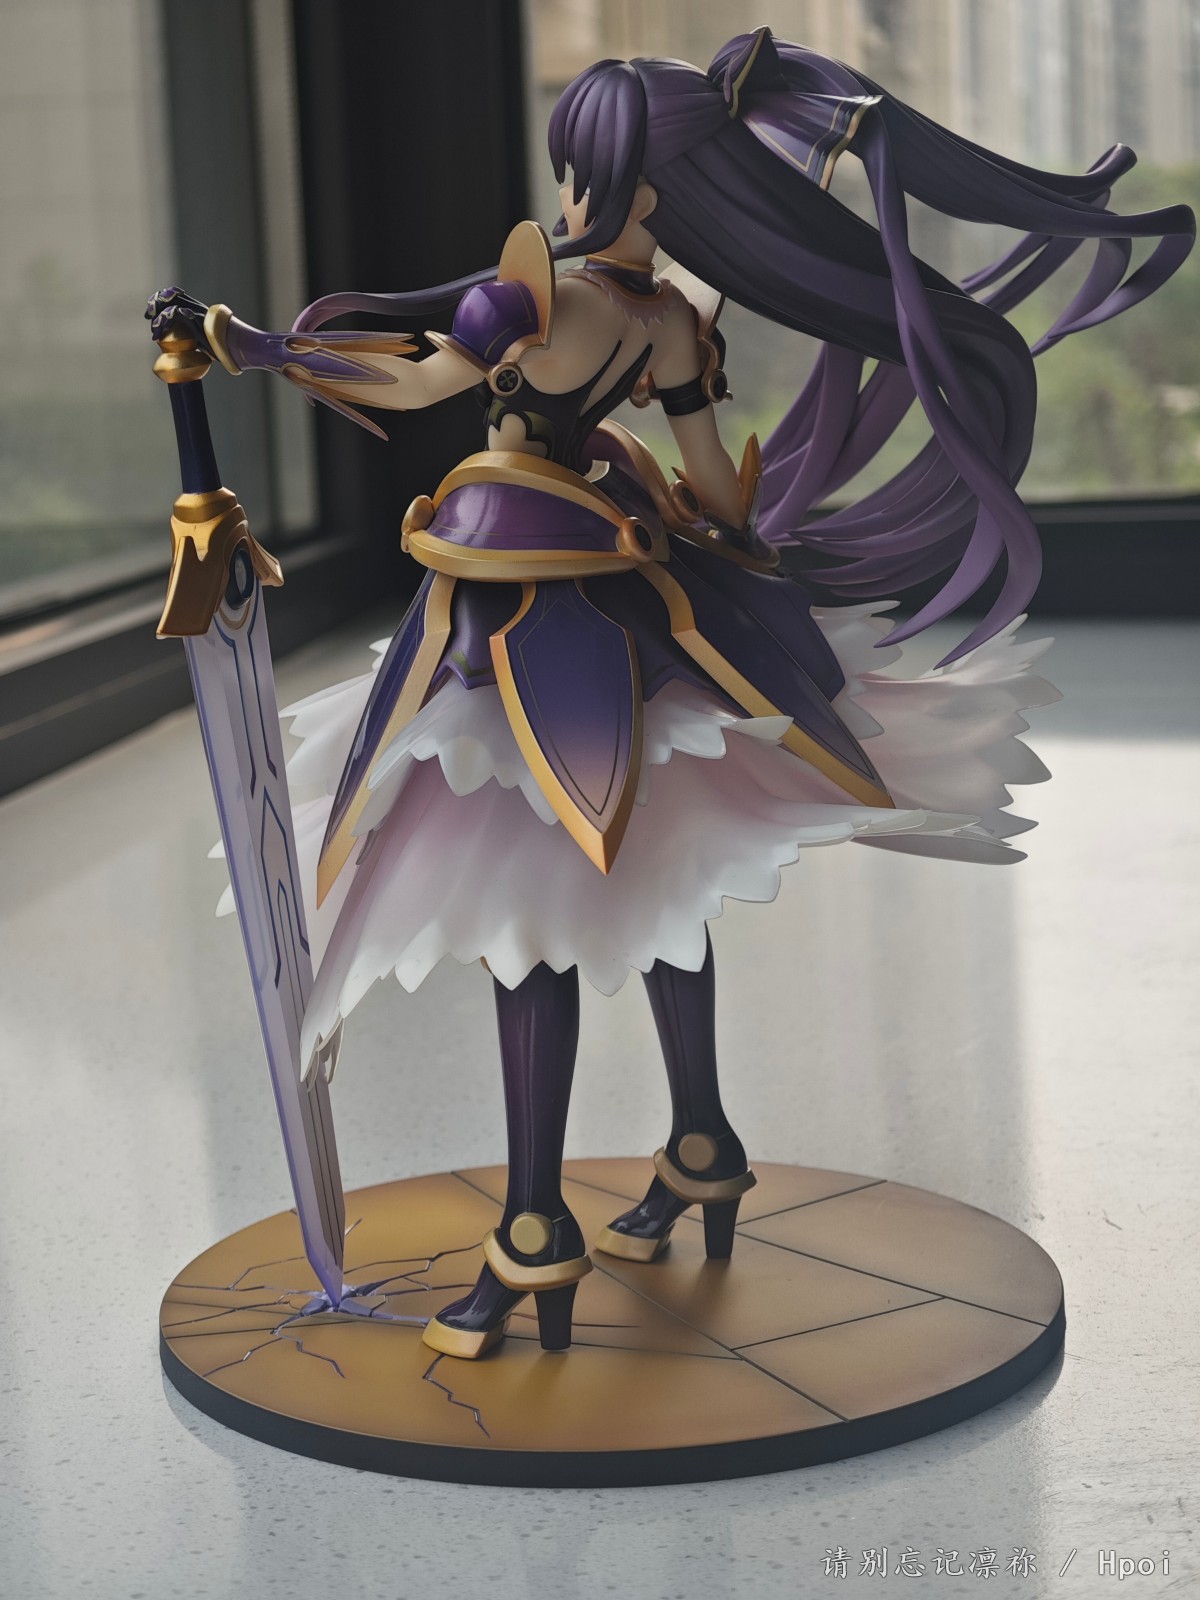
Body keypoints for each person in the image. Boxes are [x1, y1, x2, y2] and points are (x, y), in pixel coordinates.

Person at [146, 29, 1193, 1360]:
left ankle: (535, 1231)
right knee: (657, 877)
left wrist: (248, 349)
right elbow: (707, 490)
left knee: (531, 915)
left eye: (586, 176)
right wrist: (721, 525)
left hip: (511, 616)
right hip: (626, 599)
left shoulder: (535, 302)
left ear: (647, 191)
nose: (571, 199)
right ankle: (699, 1144)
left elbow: (410, 383)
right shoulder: (675, 323)